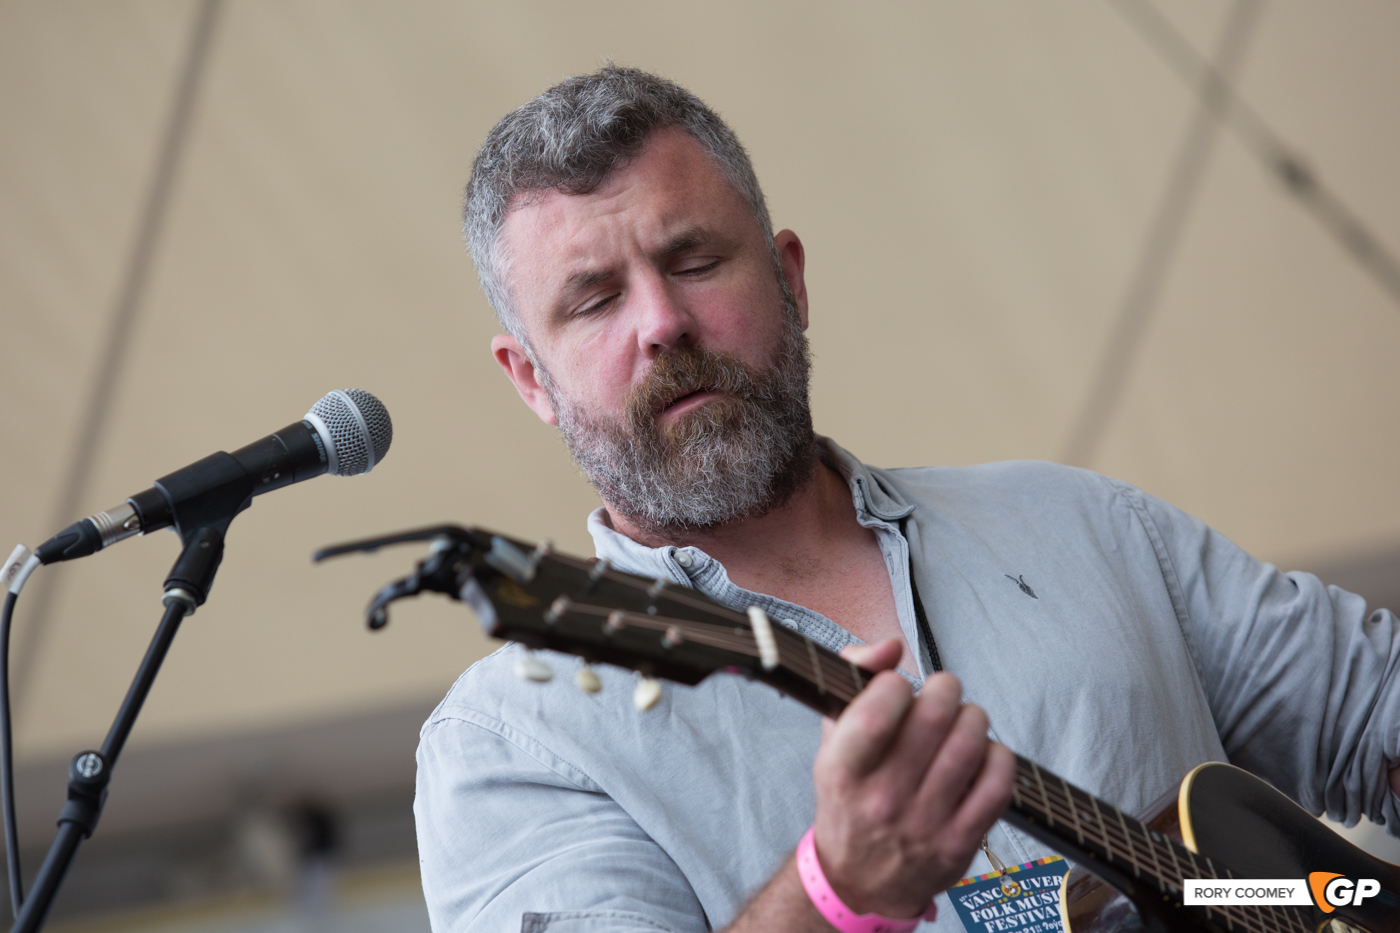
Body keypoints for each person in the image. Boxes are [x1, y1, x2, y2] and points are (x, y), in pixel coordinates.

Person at [415, 66, 1400, 932]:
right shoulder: (515, 742)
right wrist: (832, 891)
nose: (663, 322)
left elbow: (1375, 719)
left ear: (790, 281)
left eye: (695, 262)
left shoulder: (1077, 523)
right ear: (529, 379)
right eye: (594, 302)